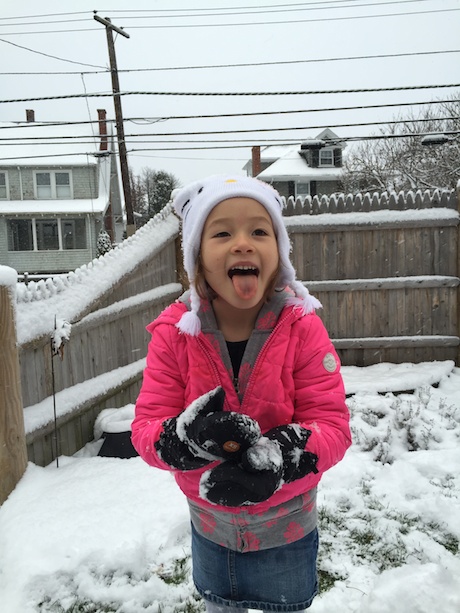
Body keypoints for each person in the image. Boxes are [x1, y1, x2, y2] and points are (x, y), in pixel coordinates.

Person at [132, 175, 351, 613]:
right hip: (211, 529)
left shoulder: (301, 328)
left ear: (278, 252)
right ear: (197, 258)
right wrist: (183, 440)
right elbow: (146, 427)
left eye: (258, 231)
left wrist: (288, 454)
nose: (243, 244)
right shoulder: (175, 335)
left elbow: (332, 426)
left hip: (286, 528)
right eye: (222, 233)